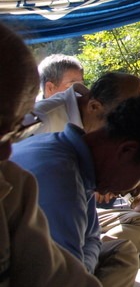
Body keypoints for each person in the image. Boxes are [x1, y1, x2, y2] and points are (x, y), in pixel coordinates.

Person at [11, 93, 140, 287]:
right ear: (127, 151)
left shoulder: (66, 153)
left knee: (123, 251)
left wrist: (84, 263)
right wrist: (85, 266)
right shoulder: (63, 183)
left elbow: (92, 238)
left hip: (60, 265)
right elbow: (66, 280)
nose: (134, 189)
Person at [25, 71, 140, 254]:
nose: (128, 128)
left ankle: (94, 251)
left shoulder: (104, 121)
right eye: (122, 120)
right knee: (118, 258)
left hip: (84, 214)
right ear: (94, 107)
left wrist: (136, 201)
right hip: (38, 219)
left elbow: (120, 167)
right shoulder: (43, 119)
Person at [0, 21, 101, 286]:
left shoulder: (13, 185)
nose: (9, 150)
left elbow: (54, 273)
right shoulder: (45, 122)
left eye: (14, 132)